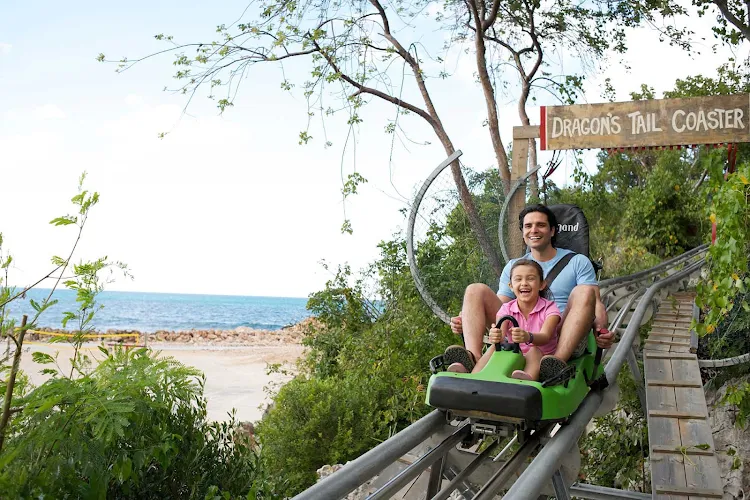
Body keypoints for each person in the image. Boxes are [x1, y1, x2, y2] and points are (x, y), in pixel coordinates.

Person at [447, 204, 614, 382]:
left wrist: (601, 330)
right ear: (523, 232)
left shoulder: (578, 261)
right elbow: (501, 304)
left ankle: (555, 364)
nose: (534, 230)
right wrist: (469, 317)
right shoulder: (515, 266)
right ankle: (473, 358)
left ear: (552, 231)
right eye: (528, 226)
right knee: (474, 289)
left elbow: (595, 302)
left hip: (560, 330)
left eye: (540, 225)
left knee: (585, 290)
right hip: (519, 328)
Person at [448, 259, 560, 381]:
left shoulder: (549, 308)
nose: (524, 283)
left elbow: (546, 336)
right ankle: (474, 375)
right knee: (494, 348)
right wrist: (495, 335)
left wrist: (528, 337)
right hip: (515, 353)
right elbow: (500, 336)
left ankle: (527, 379)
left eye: (530, 278)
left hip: (541, 355)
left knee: (534, 351)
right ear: (511, 286)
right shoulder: (506, 309)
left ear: (541, 285)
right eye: (518, 279)